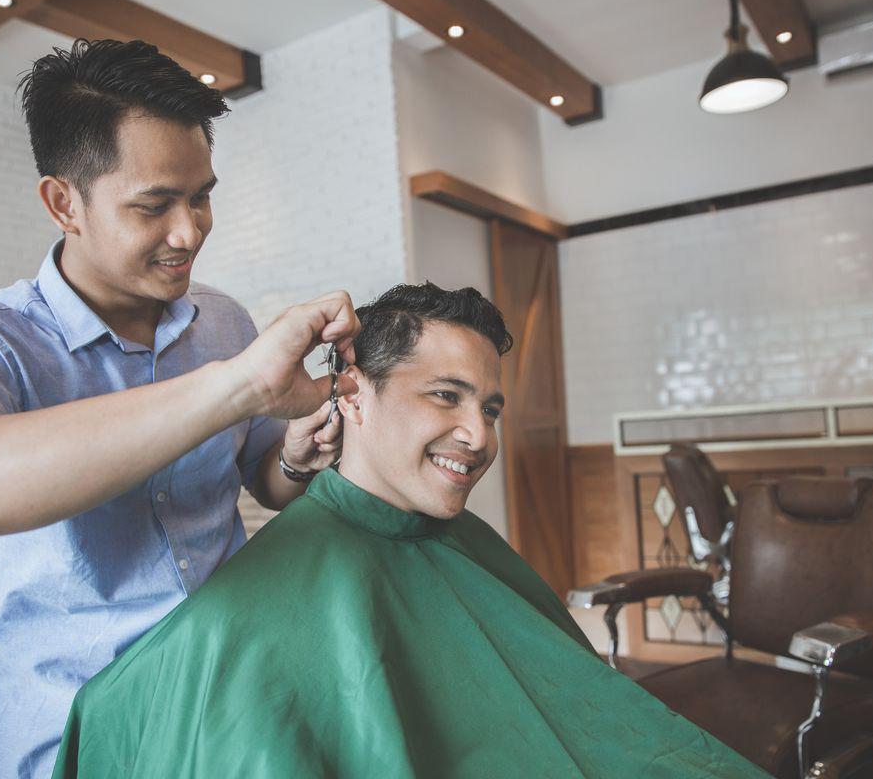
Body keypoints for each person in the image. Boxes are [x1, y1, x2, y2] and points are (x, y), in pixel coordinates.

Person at [0, 39, 358, 779]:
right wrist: (236, 386)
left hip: (232, 706)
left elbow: (263, 477)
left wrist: (296, 452)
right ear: (64, 202)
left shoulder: (222, 320)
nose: (189, 232)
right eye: (154, 205)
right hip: (76, 737)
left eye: (201, 196)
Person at [51, 283, 765, 778]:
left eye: (489, 408)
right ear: (352, 395)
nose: (477, 435)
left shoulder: (462, 543)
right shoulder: (247, 625)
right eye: (445, 397)